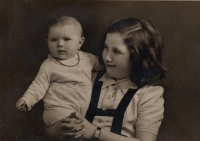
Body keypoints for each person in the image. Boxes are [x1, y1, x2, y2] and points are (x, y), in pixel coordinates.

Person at [45, 17, 167, 141]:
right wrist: (61, 129)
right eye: (106, 47)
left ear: (137, 57)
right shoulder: (86, 79)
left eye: (116, 51)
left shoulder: (149, 95)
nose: (107, 57)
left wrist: (95, 132)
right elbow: (50, 129)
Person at [16, 15, 102, 127]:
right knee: (69, 127)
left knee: (80, 129)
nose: (60, 44)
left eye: (66, 39)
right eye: (54, 40)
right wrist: (26, 100)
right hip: (57, 110)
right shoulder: (49, 65)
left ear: (80, 42)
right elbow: (38, 86)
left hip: (81, 111)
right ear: (47, 42)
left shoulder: (88, 59)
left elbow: (104, 66)